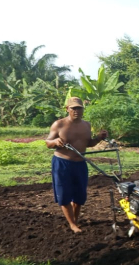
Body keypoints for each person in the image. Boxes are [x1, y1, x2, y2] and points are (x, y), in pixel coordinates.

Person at [45, 97, 108, 233]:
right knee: (64, 194)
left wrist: (98, 138)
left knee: (80, 196)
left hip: (80, 163)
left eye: (79, 108)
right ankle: (72, 224)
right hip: (63, 163)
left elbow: (88, 143)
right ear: (67, 109)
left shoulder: (87, 125)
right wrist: (55, 142)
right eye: (73, 108)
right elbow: (48, 142)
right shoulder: (59, 124)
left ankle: (75, 221)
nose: (76, 111)